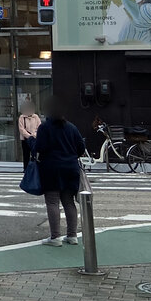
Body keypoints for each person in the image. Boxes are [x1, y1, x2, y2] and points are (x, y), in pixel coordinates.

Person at [33, 99, 86, 246]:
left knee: (52, 201)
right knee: (69, 202)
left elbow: (39, 148)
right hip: (71, 168)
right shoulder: (72, 128)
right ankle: (72, 235)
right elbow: (81, 148)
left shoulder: (44, 128)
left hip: (51, 169)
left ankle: (55, 237)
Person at [17, 99, 41, 170]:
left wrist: (34, 135)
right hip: (25, 139)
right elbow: (21, 129)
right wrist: (28, 136)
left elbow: (39, 127)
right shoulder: (22, 117)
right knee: (26, 154)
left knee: (34, 154)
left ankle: (34, 168)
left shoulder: (36, 117)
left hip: (34, 139)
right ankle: (26, 169)